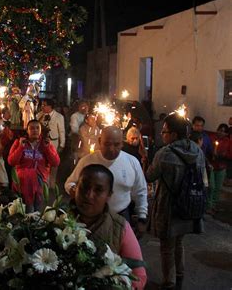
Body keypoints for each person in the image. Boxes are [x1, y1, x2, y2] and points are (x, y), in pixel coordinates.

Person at [146, 113, 207, 290]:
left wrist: (146, 160)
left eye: (164, 131)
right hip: (189, 206)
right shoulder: (197, 151)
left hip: (170, 208)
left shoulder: (164, 154)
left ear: (173, 134)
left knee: (167, 247)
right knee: (179, 243)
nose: (162, 134)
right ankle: (180, 276)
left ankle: (168, 282)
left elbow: (150, 176)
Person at [71, 164, 147, 289]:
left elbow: (139, 276)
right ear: (75, 188)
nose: (89, 195)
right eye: (84, 187)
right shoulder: (55, 219)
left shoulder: (120, 227)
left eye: (98, 190)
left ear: (109, 195)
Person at [64, 126, 148, 229]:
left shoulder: (132, 162)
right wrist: (74, 190)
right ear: (100, 141)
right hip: (90, 218)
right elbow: (70, 183)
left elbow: (140, 191)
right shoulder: (87, 161)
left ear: (122, 143)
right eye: (107, 144)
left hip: (120, 215)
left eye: (116, 144)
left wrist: (142, 217)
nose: (111, 149)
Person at [8, 120, 60, 212]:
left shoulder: (46, 143)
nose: (35, 130)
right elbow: (11, 161)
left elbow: (55, 162)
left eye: (37, 128)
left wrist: (47, 148)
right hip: (22, 182)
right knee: (24, 211)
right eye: (31, 128)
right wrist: (21, 147)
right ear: (27, 130)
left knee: (37, 211)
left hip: (40, 182)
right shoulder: (19, 142)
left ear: (40, 130)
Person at [37, 98, 65, 187]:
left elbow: (62, 131)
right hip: (42, 142)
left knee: (54, 163)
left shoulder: (59, 116)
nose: (42, 107)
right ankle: (44, 181)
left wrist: (62, 144)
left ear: (50, 106)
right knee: (43, 161)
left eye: (44, 105)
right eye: (42, 105)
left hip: (54, 142)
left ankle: (52, 182)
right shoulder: (39, 115)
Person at [207, 123, 231, 214]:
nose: (221, 132)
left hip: (221, 167)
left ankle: (214, 205)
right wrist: (212, 153)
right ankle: (209, 206)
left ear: (226, 134)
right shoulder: (211, 138)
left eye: (223, 131)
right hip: (211, 166)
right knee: (211, 187)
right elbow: (207, 150)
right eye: (219, 130)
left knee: (218, 188)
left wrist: (222, 155)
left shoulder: (228, 141)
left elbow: (230, 155)